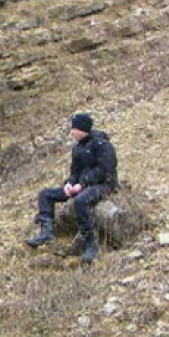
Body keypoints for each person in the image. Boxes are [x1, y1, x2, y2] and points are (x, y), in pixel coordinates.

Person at [25, 113, 118, 264]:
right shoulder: (77, 148)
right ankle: (46, 231)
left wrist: (82, 184)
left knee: (80, 201)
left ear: (82, 129)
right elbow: (75, 172)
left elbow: (106, 170)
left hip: (103, 185)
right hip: (79, 185)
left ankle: (90, 243)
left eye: (74, 128)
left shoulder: (102, 145)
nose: (71, 132)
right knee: (45, 194)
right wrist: (69, 183)